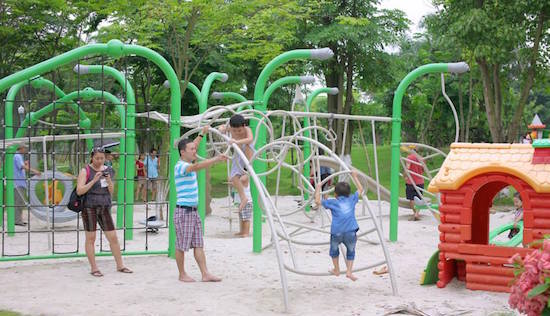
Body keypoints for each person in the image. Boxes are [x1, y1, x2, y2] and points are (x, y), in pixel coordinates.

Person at [174, 125, 226, 282]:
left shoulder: (187, 156)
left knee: (198, 243)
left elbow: (193, 145)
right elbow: (196, 166)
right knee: (181, 245)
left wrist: (202, 134)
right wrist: (216, 158)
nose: (195, 150)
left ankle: (205, 273)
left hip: (193, 211)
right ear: (183, 152)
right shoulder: (181, 166)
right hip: (184, 212)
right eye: (191, 149)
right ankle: (182, 274)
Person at [76, 147, 132, 277]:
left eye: (102, 158)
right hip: (89, 207)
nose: (99, 161)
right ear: (92, 157)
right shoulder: (85, 170)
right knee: (91, 238)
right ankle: (94, 268)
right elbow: (80, 190)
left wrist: (108, 180)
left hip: (104, 206)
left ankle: (120, 265)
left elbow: (111, 191)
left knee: (113, 237)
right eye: (97, 158)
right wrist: (94, 180)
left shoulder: (108, 170)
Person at [315, 170, 363, 282]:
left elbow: (317, 201)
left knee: (334, 251)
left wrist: (318, 187)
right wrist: (355, 177)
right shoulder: (352, 199)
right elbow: (360, 190)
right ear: (349, 193)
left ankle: (336, 269)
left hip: (336, 232)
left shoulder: (333, 202)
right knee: (351, 251)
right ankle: (349, 272)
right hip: (351, 231)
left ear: (335, 194)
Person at [219, 114, 254, 213]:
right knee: (233, 177)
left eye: (239, 130)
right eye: (234, 131)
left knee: (248, 145)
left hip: (247, 151)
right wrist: (221, 128)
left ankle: (247, 172)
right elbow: (221, 128)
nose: (237, 132)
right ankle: (243, 198)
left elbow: (250, 139)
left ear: (243, 126)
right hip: (238, 153)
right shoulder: (230, 128)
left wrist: (236, 141)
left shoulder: (247, 129)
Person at [13, 144, 41, 226]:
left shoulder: (18, 156)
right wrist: (35, 171)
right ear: (21, 148)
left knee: (20, 202)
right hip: (17, 183)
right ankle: (17, 221)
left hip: (20, 182)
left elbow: (22, 167)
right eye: (25, 148)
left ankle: (18, 219)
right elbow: (22, 167)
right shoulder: (17, 156)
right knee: (18, 202)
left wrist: (25, 164)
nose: (26, 149)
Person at [403, 145, 425, 221]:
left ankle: (415, 213)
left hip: (411, 182)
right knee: (419, 198)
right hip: (420, 181)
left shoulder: (409, 158)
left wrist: (404, 176)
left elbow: (407, 168)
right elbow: (423, 170)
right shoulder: (421, 158)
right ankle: (417, 214)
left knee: (411, 198)